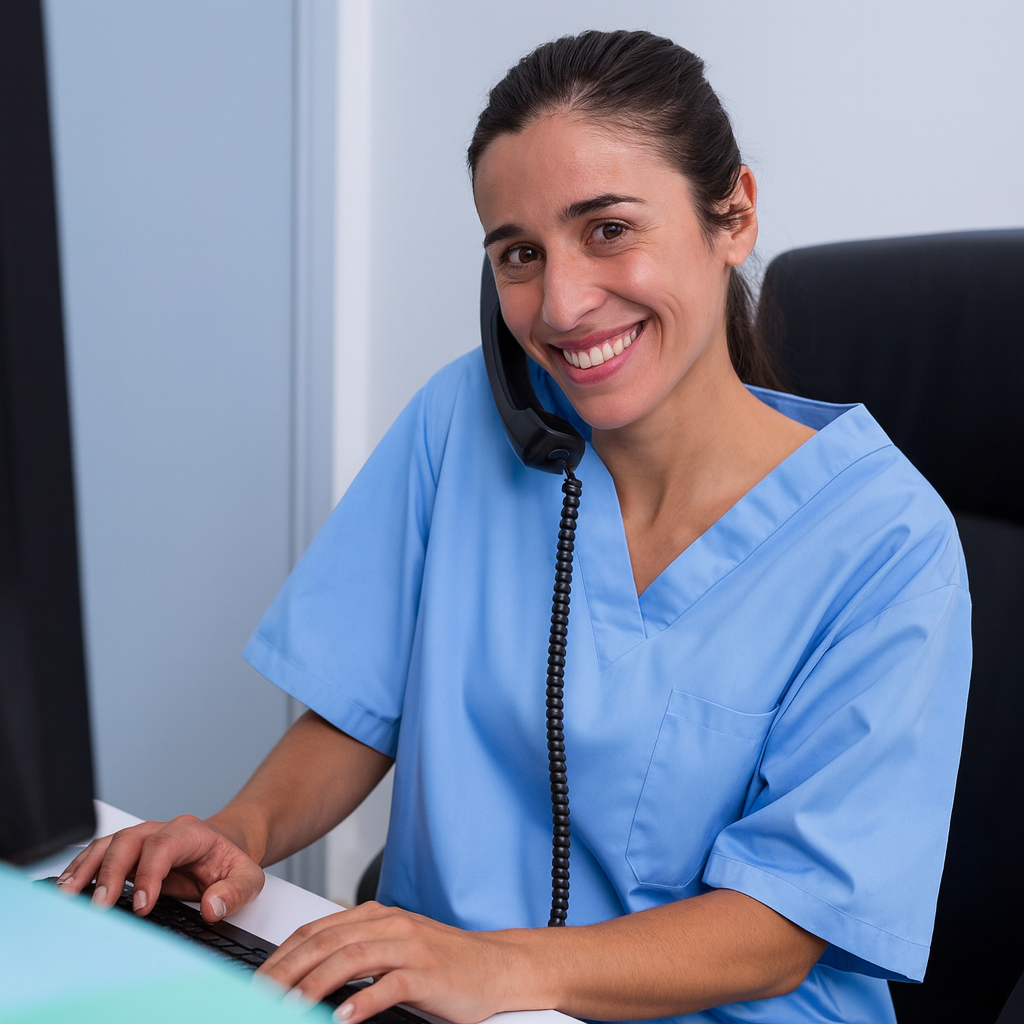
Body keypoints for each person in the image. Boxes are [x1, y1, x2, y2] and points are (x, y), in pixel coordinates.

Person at [57, 29, 971, 1024]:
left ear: (733, 215)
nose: (565, 303)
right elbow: (357, 708)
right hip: (435, 1000)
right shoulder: (468, 419)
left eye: (608, 229)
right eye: (519, 254)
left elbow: (783, 924)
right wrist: (243, 828)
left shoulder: (886, 545)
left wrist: (502, 967)